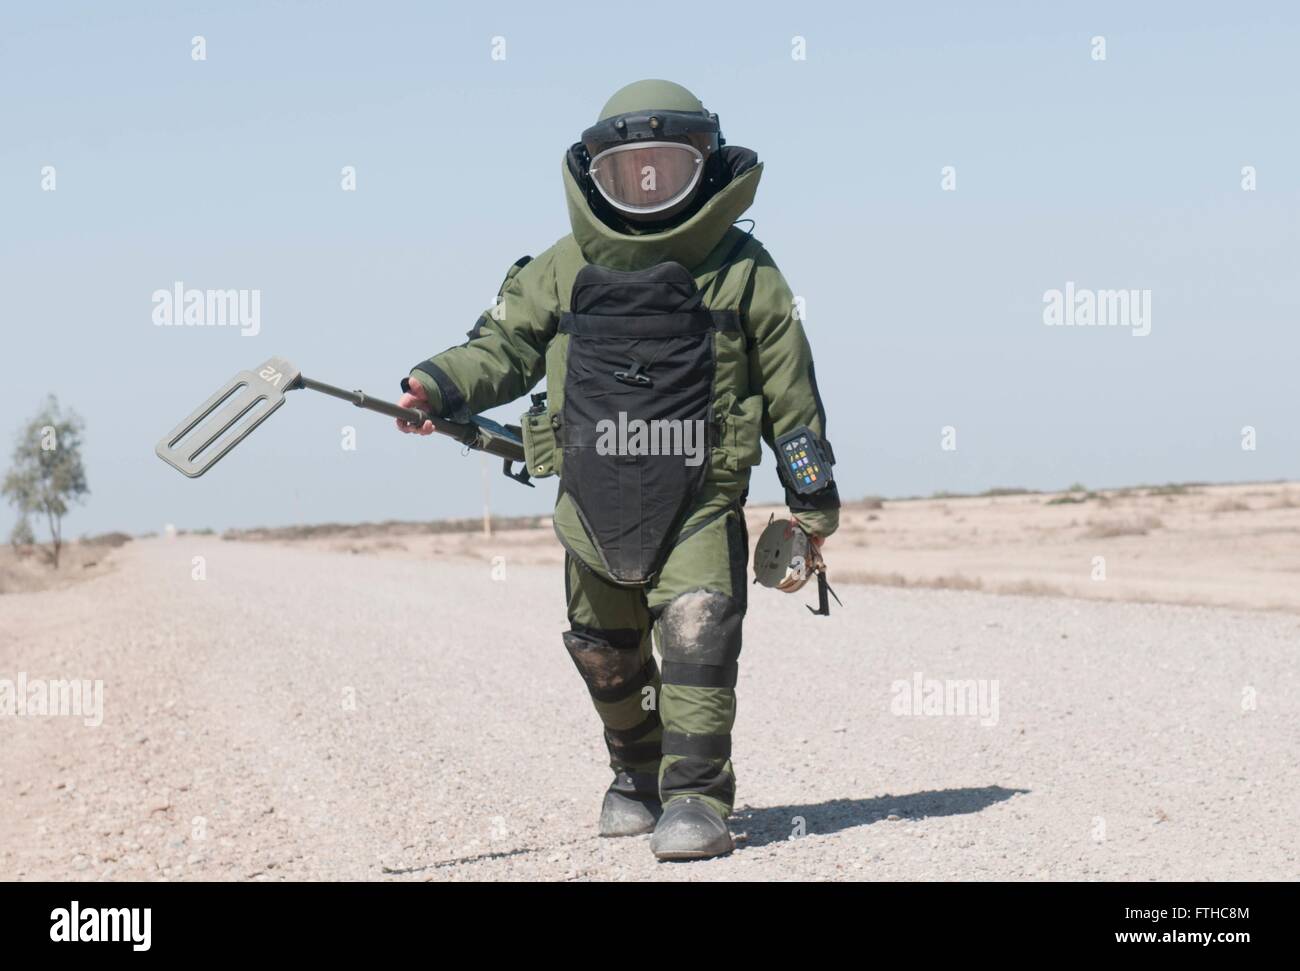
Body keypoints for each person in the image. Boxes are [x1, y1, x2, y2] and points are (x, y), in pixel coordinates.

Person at [396, 79, 839, 861]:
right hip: (589, 497)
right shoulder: (560, 269)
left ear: (706, 166)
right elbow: (499, 346)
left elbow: (789, 389)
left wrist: (811, 500)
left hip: (701, 496)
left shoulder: (746, 270)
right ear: (595, 174)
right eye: (632, 169)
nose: (649, 184)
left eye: (668, 166)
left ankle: (697, 798)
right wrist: (437, 384)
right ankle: (635, 773)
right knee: (605, 648)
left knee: (700, 628)